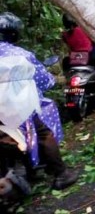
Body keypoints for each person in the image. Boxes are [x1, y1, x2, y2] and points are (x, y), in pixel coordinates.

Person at [0, 12, 78, 190]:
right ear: (13, 33)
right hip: (20, 107)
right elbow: (44, 80)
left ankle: (22, 176)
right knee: (43, 133)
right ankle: (61, 174)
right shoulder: (21, 54)